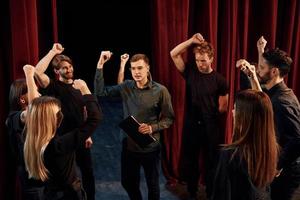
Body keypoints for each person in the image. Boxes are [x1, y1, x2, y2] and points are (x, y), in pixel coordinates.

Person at [94, 52, 175, 200]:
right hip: (129, 145)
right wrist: (100, 64)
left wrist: (152, 127)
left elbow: (169, 118)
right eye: (133, 69)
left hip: (150, 146)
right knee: (128, 182)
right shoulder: (127, 86)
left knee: (153, 185)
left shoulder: (160, 90)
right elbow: (101, 92)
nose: (136, 72)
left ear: (147, 68)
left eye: (140, 68)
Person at [23, 64, 102, 200]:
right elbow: (95, 118)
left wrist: (29, 77)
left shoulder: (31, 137)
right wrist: (85, 89)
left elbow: (34, 110)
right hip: (69, 195)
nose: (61, 115)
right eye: (58, 113)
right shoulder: (59, 145)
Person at [236, 36, 300, 200]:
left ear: (274, 71)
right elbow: (260, 96)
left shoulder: (283, 102)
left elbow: (298, 138)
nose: (258, 70)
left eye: (262, 67)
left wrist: (277, 165)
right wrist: (260, 52)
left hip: (286, 172)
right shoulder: (272, 90)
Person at [170, 33, 229, 198]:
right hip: (191, 125)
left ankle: (211, 192)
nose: (200, 64)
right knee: (190, 160)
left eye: (203, 60)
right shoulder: (190, 72)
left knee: (211, 161)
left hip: (211, 126)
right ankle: (192, 191)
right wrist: (191, 41)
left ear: (211, 59)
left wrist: (208, 116)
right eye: (197, 60)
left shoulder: (220, 80)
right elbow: (173, 53)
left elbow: (223, 107)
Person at [211, 89, 279, 200]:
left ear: (245, 117)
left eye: (236, 109)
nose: (232, 112)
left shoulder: (230, 155)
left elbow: (220, 195)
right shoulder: (271, 148)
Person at [6, 78, 44, 199]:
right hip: (33, 184)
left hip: (46, 179)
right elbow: (34, 111)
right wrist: (29, 73)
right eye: (35, 92)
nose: (39, 95)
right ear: (22, 99)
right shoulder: (13, 118)